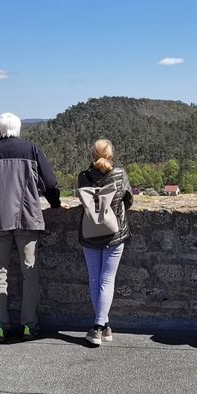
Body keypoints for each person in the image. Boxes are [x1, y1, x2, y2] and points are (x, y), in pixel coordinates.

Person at [0, 112, 62, 343]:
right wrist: (55, 203)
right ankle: (28, 326)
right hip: (27, 217)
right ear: (19, 128)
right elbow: (51, 183)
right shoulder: (30, 148)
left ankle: (1, 327)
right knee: (30, 271)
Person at [76, 139, 133, 346]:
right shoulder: (119, 175)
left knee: (94, 279)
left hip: (90, 234)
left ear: (93, 155)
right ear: (110, 155)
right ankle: (100, 327)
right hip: (114, 234)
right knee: (107, 280)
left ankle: (104, 325)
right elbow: (129, 200)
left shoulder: (83, 177)